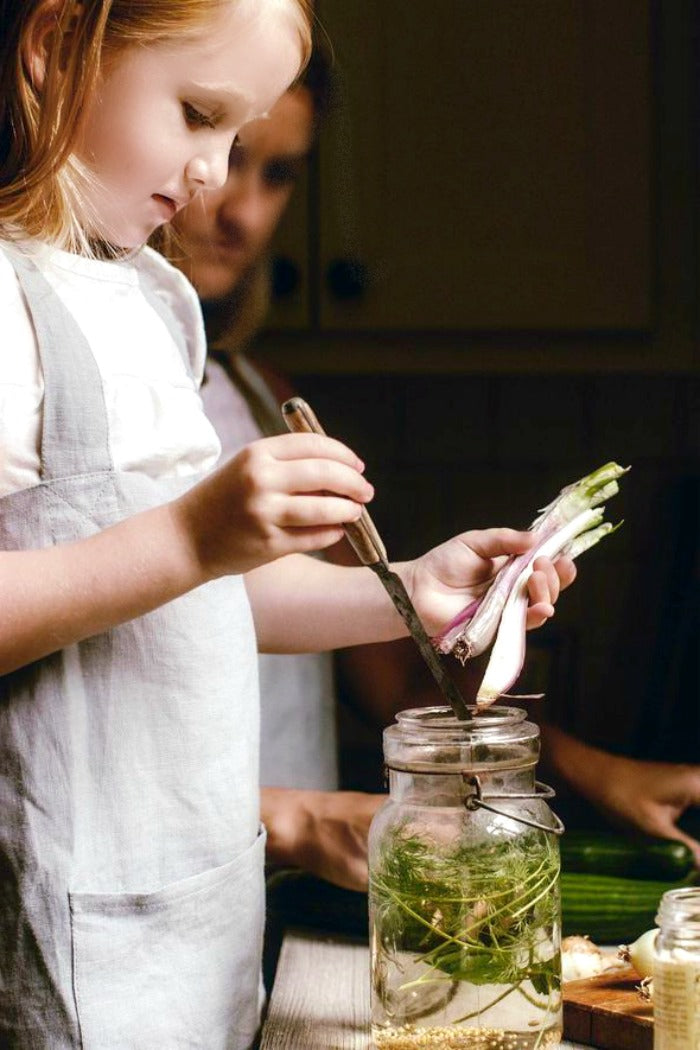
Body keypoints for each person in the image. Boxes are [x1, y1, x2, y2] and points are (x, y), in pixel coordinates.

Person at [0, 2, 570, 1047]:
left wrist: (403, 590)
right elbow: (167, 563)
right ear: (52, 51)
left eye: (240, 135)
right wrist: (189, 537)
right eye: (198, 114)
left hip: (200, 923)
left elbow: (191, 600)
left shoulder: (144, 300)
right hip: (65, 943)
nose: (214, 173)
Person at [173, 47, 700, 872]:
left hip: (275, 884)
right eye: (227, 150)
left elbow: (383, 669)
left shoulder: (259, 394)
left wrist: (599, 773)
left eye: (278, 174)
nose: (242, 210)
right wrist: (301, 821)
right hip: (192, 866)